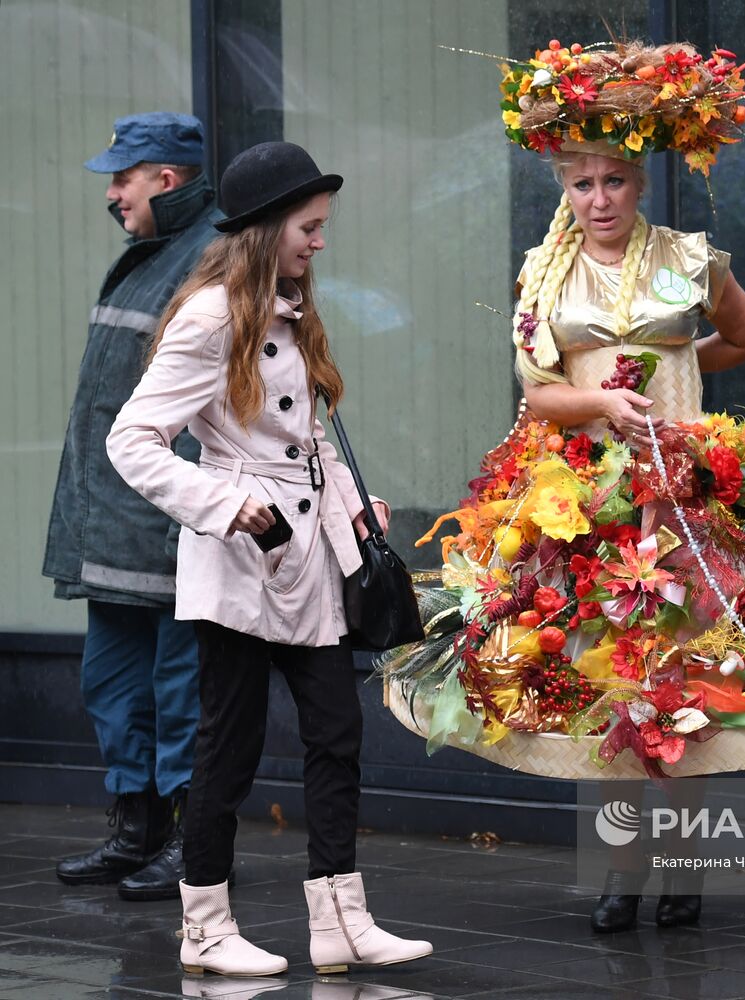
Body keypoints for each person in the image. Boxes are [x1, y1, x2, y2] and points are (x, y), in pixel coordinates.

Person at [385, 38, 745, 935]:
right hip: (583, 501)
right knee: (605, 688)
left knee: (688, 681)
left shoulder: (689, 258)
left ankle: (682, 873)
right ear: (563, 187)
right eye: (581, 184)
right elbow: (540, 394)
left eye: (614, 183)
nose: (598, 200)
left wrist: (675, 386)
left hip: (689, 494)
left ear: (639, 183)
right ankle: (620, 873)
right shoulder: (542, 271)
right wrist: (602, 402)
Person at [106, 142, 432, 978]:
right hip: (242, 564)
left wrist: (358, 513)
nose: (319, 242)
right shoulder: (213, 313)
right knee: (230, 747)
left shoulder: (286, 304)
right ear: (265, 229)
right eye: (308, 227)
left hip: (312, 557)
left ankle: (340, 921)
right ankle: (207, 931)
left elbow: (306, 438)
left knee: (337, 731)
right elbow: (132, 439)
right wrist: (223, 505)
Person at [46, 112, 217, 901]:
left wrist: (185, 506)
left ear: (166, 178)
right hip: (111, 522)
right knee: (114, 686)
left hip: (166, 524)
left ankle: (191, 846)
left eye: (124, 177)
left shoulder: (210, 253)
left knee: (180, 693)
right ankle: (136, 832)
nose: (113, 193)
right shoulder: (151, 254)